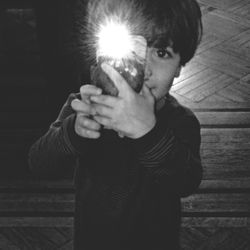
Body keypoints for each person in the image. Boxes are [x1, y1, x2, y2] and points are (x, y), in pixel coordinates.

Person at [29, 0, 203, 249]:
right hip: (94, 239)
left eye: (162, 53)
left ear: (179, 68)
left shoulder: (180, 121)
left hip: (157, 241)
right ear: (101, 56)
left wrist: (149, 133)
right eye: (129, 49)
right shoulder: (84, 108)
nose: (144, 70)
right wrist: (74, 132)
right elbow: (39, 164)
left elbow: (186, 182)